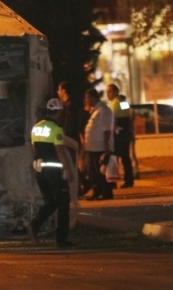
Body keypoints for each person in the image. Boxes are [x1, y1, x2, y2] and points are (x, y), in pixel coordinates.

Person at [27, 98, 75, 248]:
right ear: (60, 111)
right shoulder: (56, 128)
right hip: (53, 169)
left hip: (39, 169)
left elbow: (34, 148)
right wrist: (68, 170)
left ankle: (35, 225)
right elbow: (60, 150)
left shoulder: (36, 127)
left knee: (51, 201)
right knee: (63, 202)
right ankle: (61, 239)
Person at [83, 88, 114, 200]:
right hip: (93, 148)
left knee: (101, 173)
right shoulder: (95, 110)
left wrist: (106, 147)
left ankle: (106, 193)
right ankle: (97, 192)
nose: (85, 100)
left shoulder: (103, 111)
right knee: (94, 173)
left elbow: (107, 130)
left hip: (100, 148)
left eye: (87, 97)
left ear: (93, 97)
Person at [106, 84, 134, 189]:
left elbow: (114, 119)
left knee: (113, 157)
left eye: (109, 92)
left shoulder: (115, 103)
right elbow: (128, 116)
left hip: (118, 133)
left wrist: (111, 134)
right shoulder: (123, 101)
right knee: (126, 158)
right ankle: (129, 180)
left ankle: (113, 181)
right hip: (126, 132)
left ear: (116, 92)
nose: (108, 94)